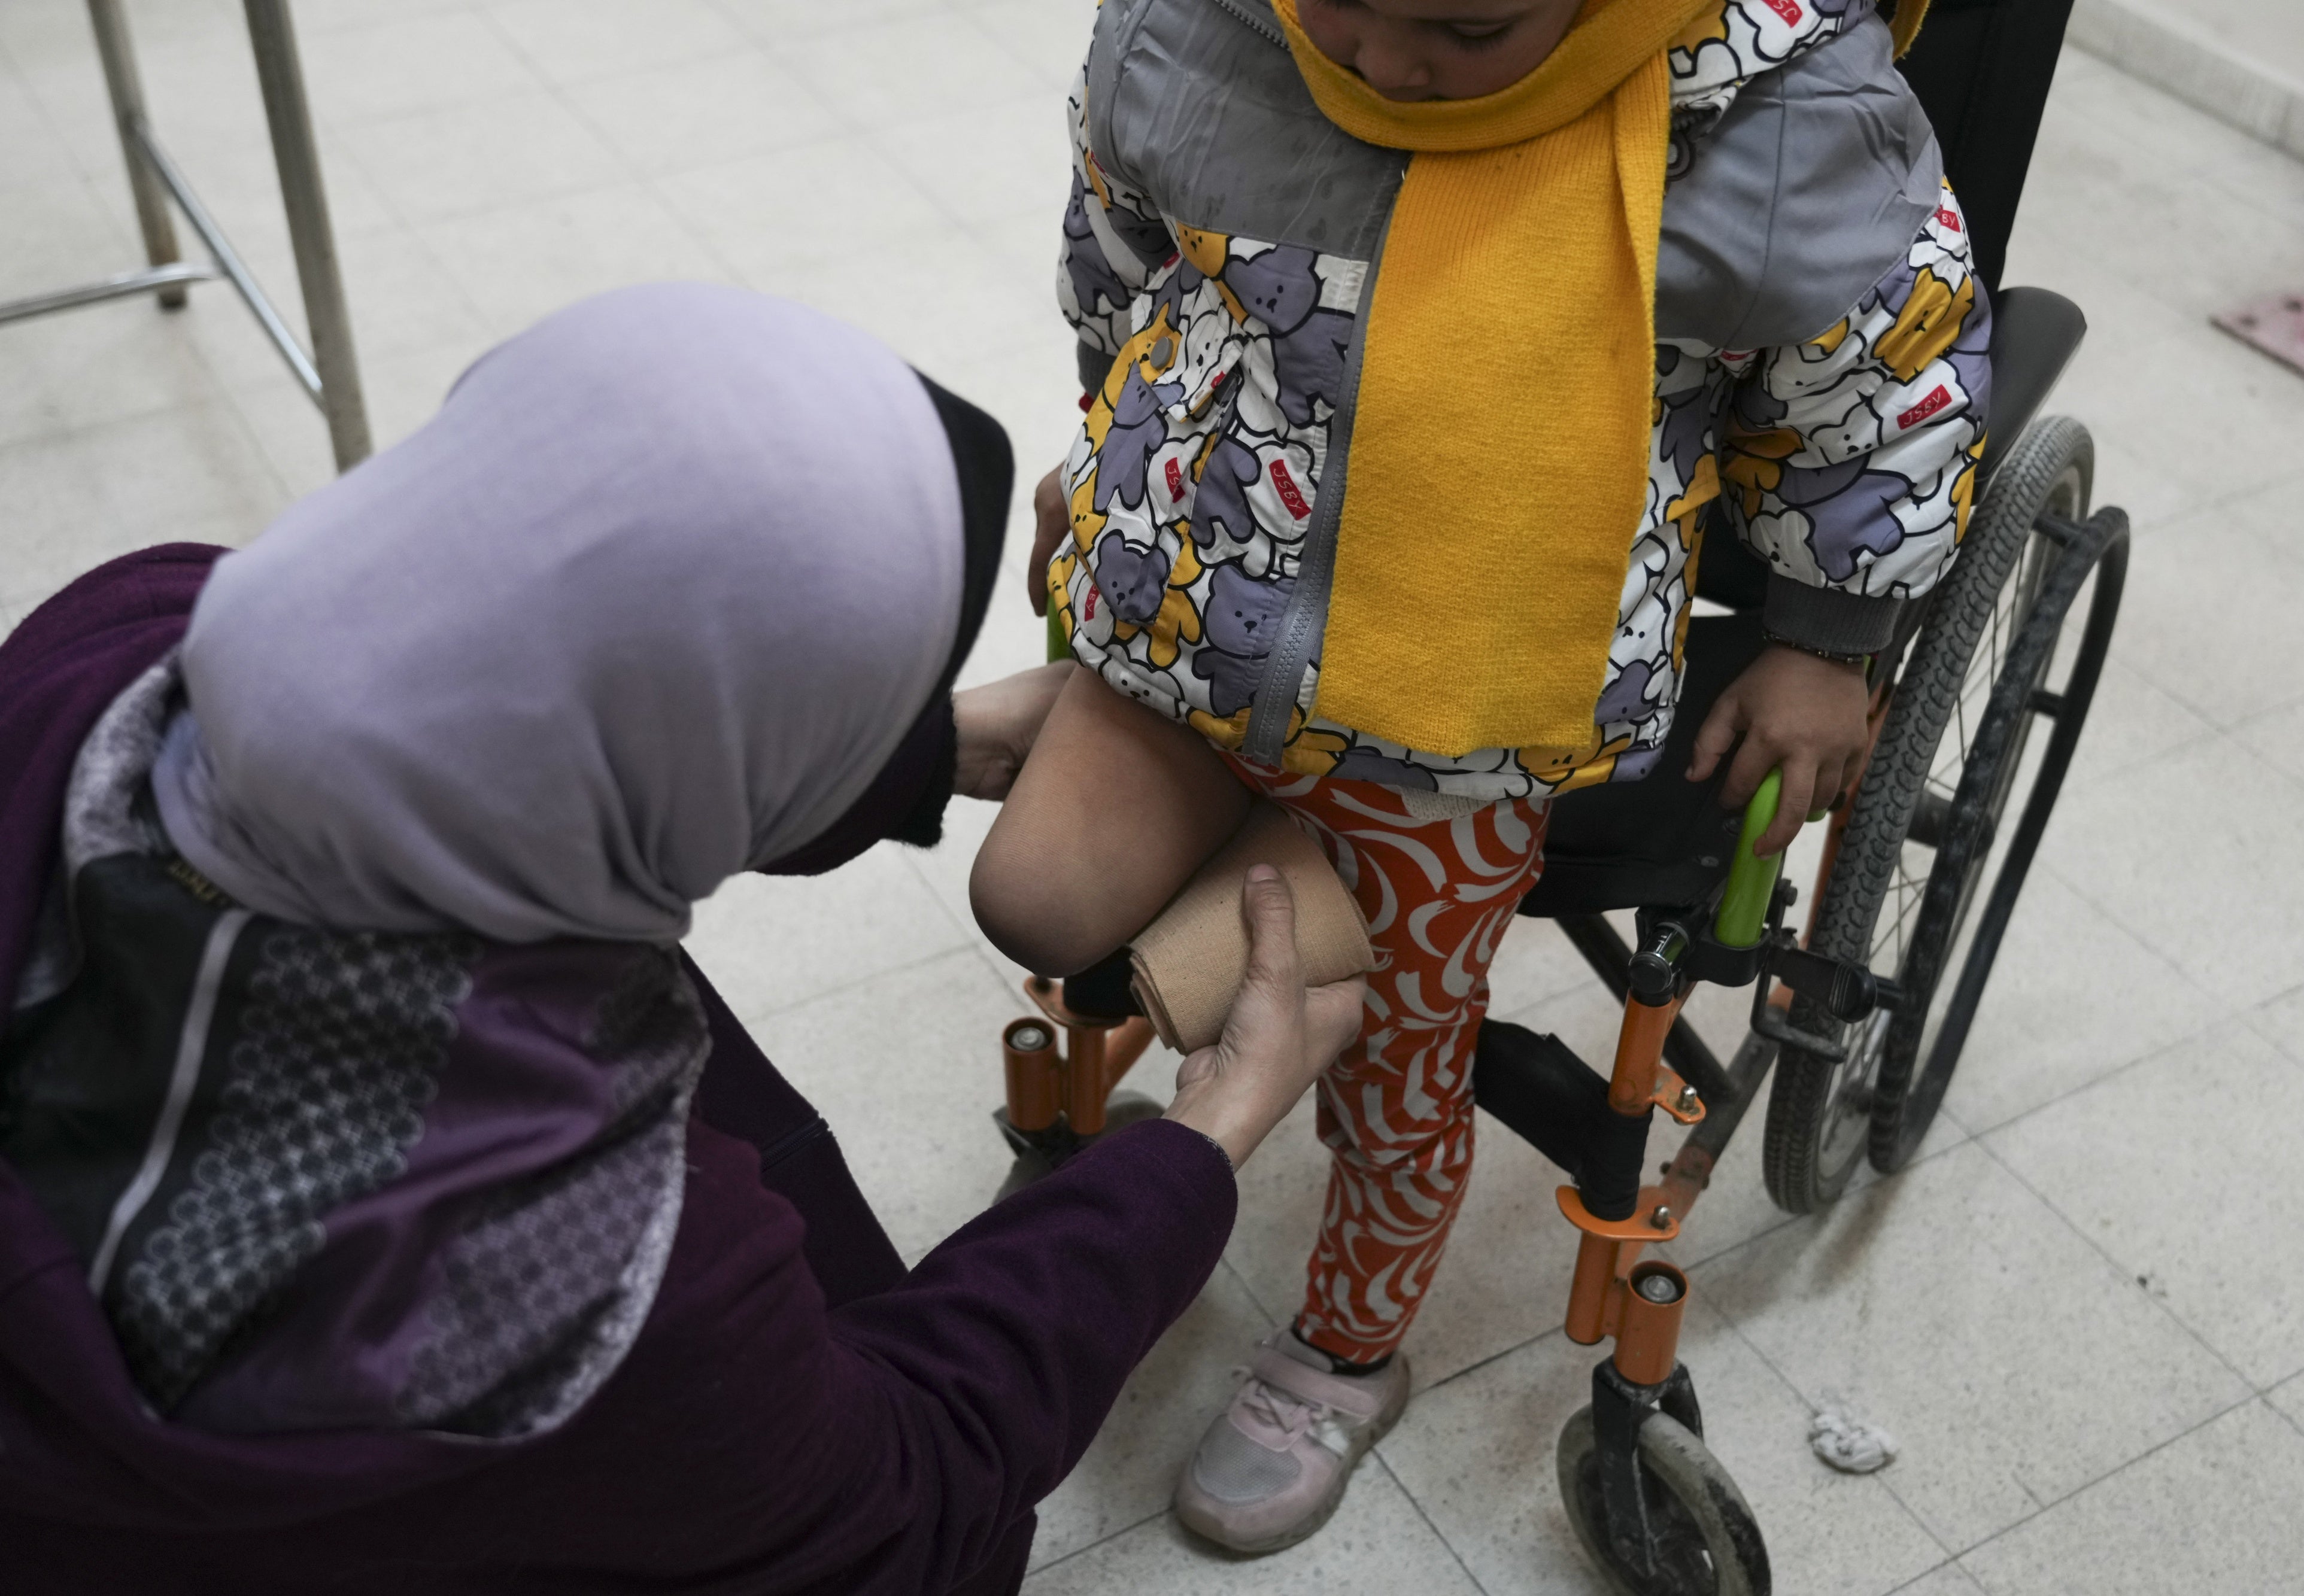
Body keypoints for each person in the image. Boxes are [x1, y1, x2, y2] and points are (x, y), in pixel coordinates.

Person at [0, 283, 1364, 1594]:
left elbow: (538, 671)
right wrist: (1201, 1139)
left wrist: (913, 748)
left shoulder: (117, 638)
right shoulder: (590, 1287)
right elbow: (903, 1496)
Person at [969, 0, 1989, 1554]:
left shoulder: (1773, 109)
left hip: (1461, 711)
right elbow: (1123, 235)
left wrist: (1830, 639)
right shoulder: (1217, 29)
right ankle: (1256, 840)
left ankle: (1347, 1352)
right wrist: (1104, 429)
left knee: (1400, 1060)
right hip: (1202, 589)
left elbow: (1884, 386)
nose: (1384, 65)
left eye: (1458, 27)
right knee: (1034, 896)